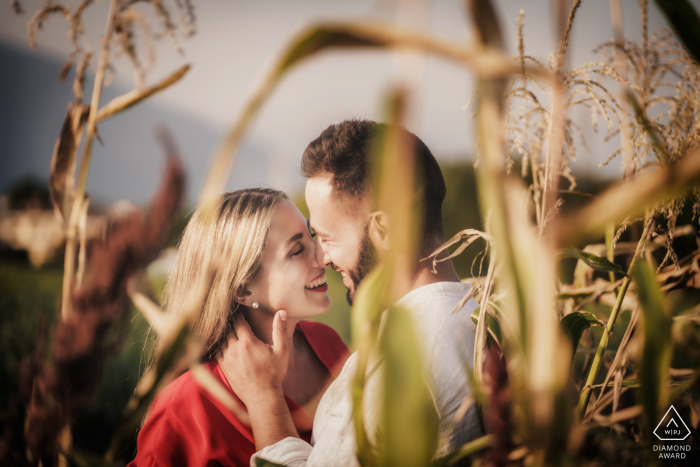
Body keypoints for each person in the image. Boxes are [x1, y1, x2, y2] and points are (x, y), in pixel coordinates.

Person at [218, 120, 482, 467]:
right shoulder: (489, 317)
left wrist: (264, 400)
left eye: (327, 238)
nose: (322, 258)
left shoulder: (399, 362)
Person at [129, 188, 348, 467]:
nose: (323, 257)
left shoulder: (329, 344)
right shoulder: (185, 406)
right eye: (296, 250)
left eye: (312, 236)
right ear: (243, 289)